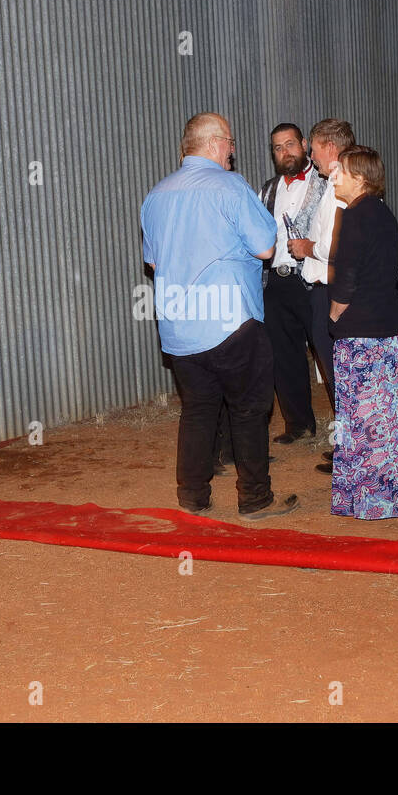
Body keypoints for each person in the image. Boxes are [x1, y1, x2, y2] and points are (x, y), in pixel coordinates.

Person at [141, 112, 298, 521]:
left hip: (179, 327)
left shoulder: (155, 196)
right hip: (231, 322)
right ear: (215, 143)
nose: (233, 150)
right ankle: (254, 498)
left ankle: (193, 496)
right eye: (230, 142)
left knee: (197, 410)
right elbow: (265, 247)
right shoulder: (230, 186)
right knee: (248, 410)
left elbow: (155, 265)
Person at [327, 146, 398, 519]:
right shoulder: (384, 213)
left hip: (361, 336)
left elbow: (346, 279)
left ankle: (378, 499)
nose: (334, 178)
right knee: (397, 417)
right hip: (390, 332)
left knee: (366, 422)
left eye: (340, 172)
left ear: (360, 178)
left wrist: (332, 315)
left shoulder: (354, 216)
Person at [258, 123, 335, 448]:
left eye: (290, 144)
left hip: (313, 282)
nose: (285, 151)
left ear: (304, 145)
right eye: (278, 147)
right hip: (275, 282)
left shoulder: (327, 183)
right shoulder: (267, 189)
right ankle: (298, 423)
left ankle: (347, 432)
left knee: (329, 355)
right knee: (283, 355)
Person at [292, 118, 355, 473]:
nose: (310, 154)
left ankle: (350, 450)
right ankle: (345, 444)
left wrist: (306, 246)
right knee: (334, 374)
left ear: (329, 147)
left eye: (313, 147)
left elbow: (337, 245)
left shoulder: (342, 185)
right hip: (323, 287)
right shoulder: (332, 183)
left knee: (338, 373)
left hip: (331, 289)